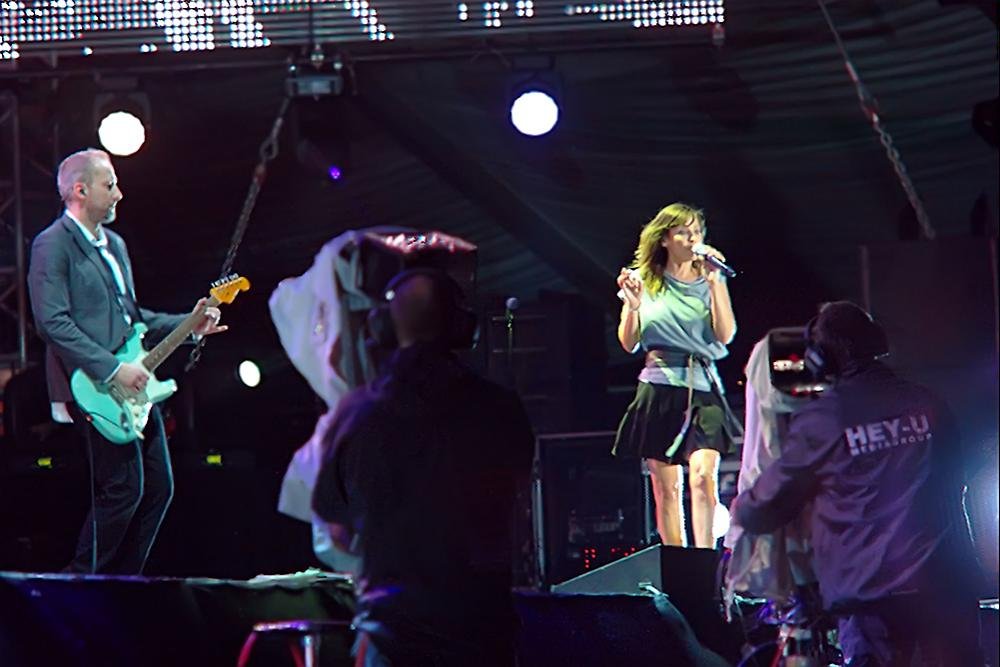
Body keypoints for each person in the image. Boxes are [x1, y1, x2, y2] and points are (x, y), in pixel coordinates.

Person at [731, 302, 982, 666]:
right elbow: (961, 478)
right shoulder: (928, 402)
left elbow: (763, 506)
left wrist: (742, 510)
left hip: (871, 600)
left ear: (821, 359)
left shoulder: (823, 420)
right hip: (946, 589)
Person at [312, 268, 535, 667]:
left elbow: (337, 530)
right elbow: (515, 498)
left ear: (382, 328)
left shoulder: (355, 415)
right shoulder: (499, 408)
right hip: (480, 633)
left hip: (390, 635)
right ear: (462, 327)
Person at [27, 148, 226, 574]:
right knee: (123, 489)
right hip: (93, 385)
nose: (119, 193)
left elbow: (133, 319)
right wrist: (114, 369)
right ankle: (79, 585)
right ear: (80, 191)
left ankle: (125, 585)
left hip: (133, 387)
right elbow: (51, 322)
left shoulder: (114, 245)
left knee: (158, 488)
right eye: (110, 185)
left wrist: (190, 324)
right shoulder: (52, 245)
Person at [614, 202, 738, 548]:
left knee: (703, 476)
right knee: (666, 487)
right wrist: (633, 305)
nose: (692, 238)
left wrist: (715, 283)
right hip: (659, 386)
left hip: (703, 386)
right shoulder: (643, 279)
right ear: (665, 239)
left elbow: (725, 335)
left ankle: (706, 558)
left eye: (697, 231)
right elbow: (628, 343)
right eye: (683, 232)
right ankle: (678, 563)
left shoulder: (709, 279)